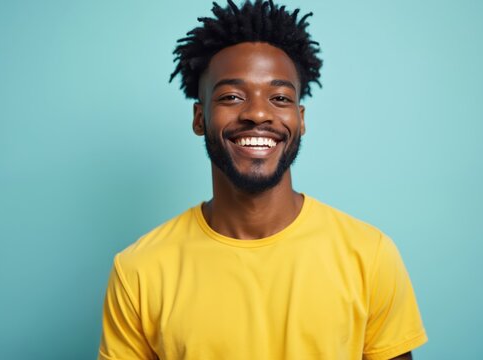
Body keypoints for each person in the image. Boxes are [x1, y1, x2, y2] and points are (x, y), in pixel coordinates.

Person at [97, 1, 428, 359]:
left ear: (300, 119)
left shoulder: (370, 255)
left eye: (280, 97)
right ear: (199, 118)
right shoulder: (139, 270)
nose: (257, 113)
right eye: (232, 96)